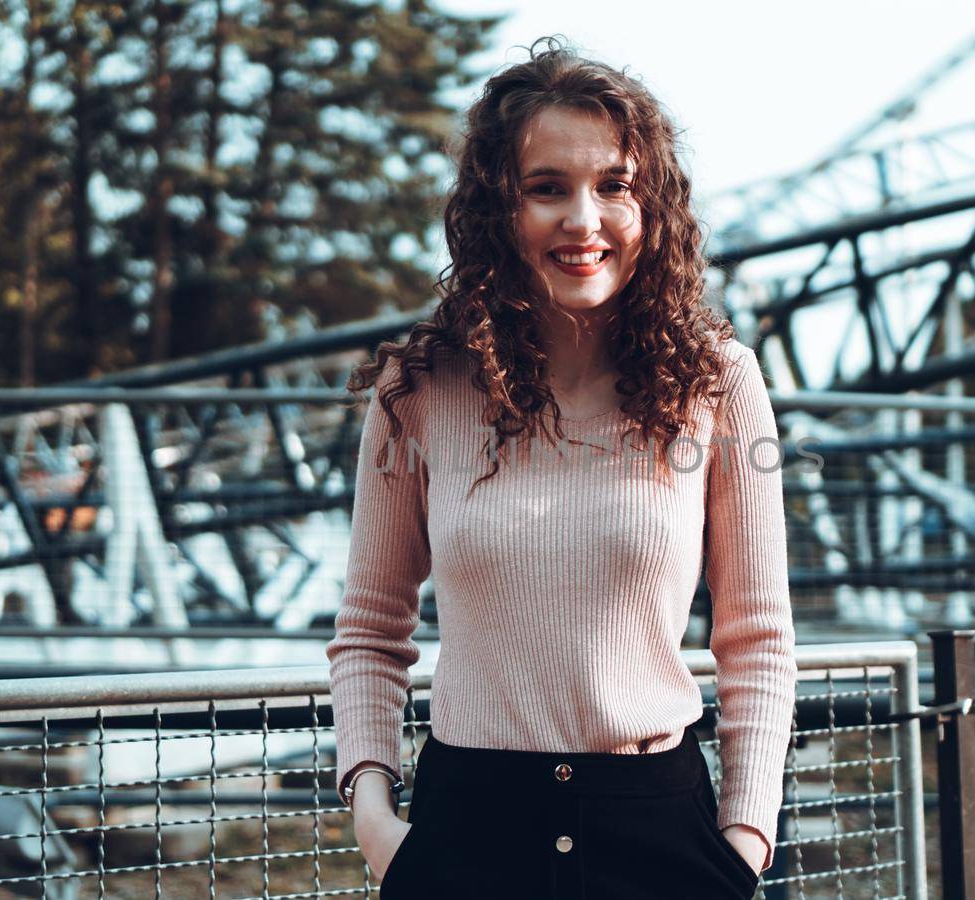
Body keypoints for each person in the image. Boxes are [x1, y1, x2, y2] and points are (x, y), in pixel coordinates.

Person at [324, 37, 796, 899]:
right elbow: (369, 627)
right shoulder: (419, 387)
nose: (584, 219)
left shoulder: (719, 382)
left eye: (614, 186)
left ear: (650, 205)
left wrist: (745, 838)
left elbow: (758, 640)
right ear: (498, 211)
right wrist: (374, 816)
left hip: (663, 831)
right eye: (547, 189)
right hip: (468, 831)